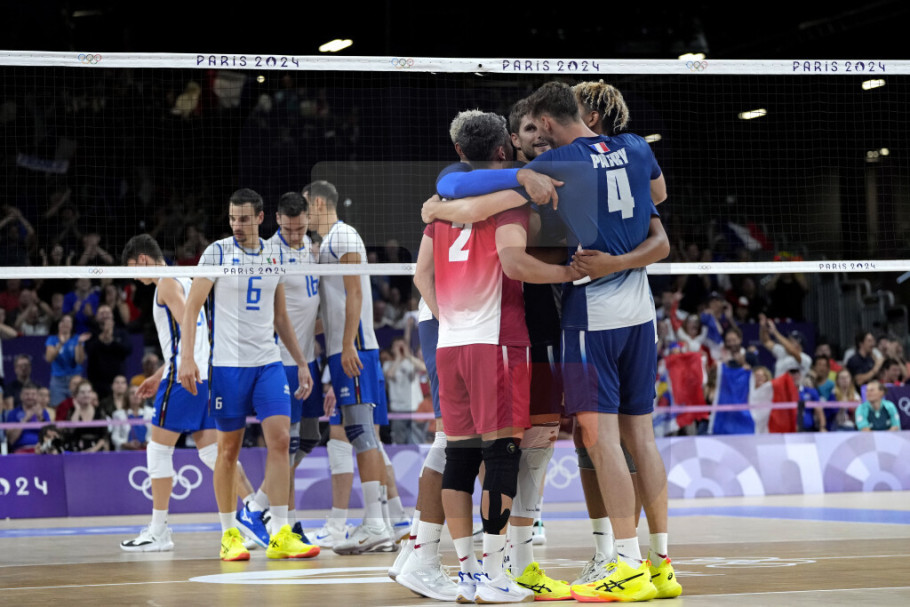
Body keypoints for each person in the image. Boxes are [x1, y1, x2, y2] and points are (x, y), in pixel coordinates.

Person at [427, 81, 679, 602]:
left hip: (592, 311)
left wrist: (441, 209)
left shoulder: (561, 165)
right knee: (641, 438)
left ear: (545, 122)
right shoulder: (635, 147)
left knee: (599, 439)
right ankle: (660, 565)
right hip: (641, 310)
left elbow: (457, 193)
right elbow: (658, 206)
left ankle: (626, 564)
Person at [420, 109, 581, 604]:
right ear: (504, 149)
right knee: (502, 455)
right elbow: (513, 262)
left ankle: (467, 573)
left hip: (450, 343)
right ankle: (496, 574)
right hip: (497, 341)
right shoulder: (514, 202)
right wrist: (567, 274)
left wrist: (452, 318)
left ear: (459, 151)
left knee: (459, 457)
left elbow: (421, 276)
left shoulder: (442, 206)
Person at [177, 189, 317, 562]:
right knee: (228, 451)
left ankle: (281, 532)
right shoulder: (217, 252)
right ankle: (229, 534)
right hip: (229, 366)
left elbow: (280, 316)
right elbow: (192, 307)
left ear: (259, 218)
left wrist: (301, 362)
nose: (236, 225)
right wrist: (186, 357)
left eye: (243, 218)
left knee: (282, 441)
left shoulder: (274, 255)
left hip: (268, 362)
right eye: (232, 218)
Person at [121, 234, 257, 551]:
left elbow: (189, 322)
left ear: (142, 260)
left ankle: (158, 531)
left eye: (132, 270)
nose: (134, 278)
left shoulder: (166, 283)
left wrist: (180, 366)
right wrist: (158, 374)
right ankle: (255, 513)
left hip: (184, 378)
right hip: (203, 375)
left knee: (158, 450)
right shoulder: (186, 278)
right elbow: (191, 335)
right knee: (213, 455)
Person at [305, 179, 398, 555]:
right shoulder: (328, 242)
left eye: (306, 207)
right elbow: (333, 309)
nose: (304, 215)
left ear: (318, 204)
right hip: (343, 348)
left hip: (354, 348)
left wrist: (346, 345)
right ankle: (383, 522)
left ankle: (375, 523)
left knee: (361, 433)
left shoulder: (343, 236)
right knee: (355, 433)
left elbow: (356, 292)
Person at [265, 191, 326, 538]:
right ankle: (286, 521)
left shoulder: (312, 251)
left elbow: (309, 311)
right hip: (284, 361)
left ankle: (261, 501)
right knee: (286, 447)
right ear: (277, 220)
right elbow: (274, 317)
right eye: (288, 229)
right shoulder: (269, 253)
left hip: (308, 360)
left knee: (310, 437)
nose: (294, 235)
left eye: (300, 228)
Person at [384, 336, 427, 445]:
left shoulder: (411, 363)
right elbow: (389, 374)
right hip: (398, 409)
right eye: (397, 346)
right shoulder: (388, 364)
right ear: (392, 349)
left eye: (402, 346)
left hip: (416, 407)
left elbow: (424, 368)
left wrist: (408, 355)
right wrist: (398, 357)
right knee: (399, 442)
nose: (400, 348)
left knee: (416, 441)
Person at [44, 314, 89, 406]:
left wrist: (80, 344)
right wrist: (60, 344)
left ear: (72, 325)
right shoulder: (52, 339)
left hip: (75, 379)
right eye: (63, 321)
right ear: (58, 324)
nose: (65, 324)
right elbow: (49, 358)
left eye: (68, 321)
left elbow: (79, 361)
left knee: (78, 406)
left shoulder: (77, 339)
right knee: (58, 408)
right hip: (58, 381)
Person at [5, 383, 50, 452]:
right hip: (21, 450)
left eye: (33, 394)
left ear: (37, 396)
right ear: (21, 396)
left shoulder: (44, 412)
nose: (30, 397)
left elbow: (50, 435)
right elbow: (11, 439)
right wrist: (25, 419)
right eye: (27, 394)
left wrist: (40, 418)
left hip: (41, 449)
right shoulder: (13, 413)